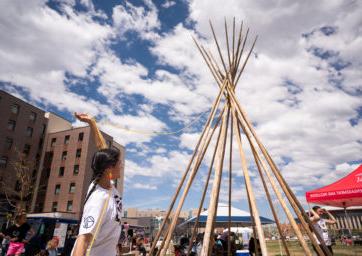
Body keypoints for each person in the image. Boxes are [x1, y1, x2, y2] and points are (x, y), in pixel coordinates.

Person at [71, 113, 123, 256]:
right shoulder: (98, 200)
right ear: (109, 169)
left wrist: (92, 123)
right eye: (119, 163)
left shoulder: (107, 182)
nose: (122, 166)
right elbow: (83, 239)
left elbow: (102, 147)